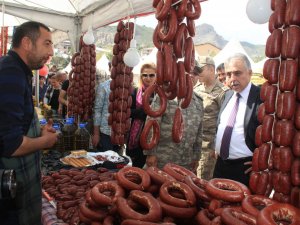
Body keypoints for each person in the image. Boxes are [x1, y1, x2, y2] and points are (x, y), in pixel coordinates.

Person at [0, 21, 58, 225]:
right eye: (47, 43)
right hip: (11, 199)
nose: (51, 51)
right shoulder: (10, 74)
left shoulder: (16, 70)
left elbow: (10, 124)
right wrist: (45, 142)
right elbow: (11, 144)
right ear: (26, 42)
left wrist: (39, 131)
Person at [213, 53, 262, 186]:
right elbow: (221, 125)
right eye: (228, 74)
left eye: (237, 73)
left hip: (244, 169)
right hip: (220, 165)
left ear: (250, 73)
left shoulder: (261, 97)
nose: (232, 78)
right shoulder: (227, 95)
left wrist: (262, 161)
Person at [144, 75, 204, 172]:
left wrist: (197, 156)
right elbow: (152, 124)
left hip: (186, 161)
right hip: (163, 158)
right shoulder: (165, 95)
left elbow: (199, 132)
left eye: (196, 73)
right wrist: (151, 153)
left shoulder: (199, 101)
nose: (191, 76)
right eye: (188, 73)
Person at [193, 56, 227, 180]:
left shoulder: (223, 92)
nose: (197, 73)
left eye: (200, 70)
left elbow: (224, 122)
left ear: (211, 69)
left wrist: (217, 147)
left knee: (203, 182)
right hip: (194, 145)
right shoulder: (196, 88)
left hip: (209, 148)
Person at [126, 63, 157, 168]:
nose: (148, 78)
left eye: (151, 75)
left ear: (156, 76)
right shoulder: (135, 91)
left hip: (154, 137)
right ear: (141, 76)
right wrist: (145, 112)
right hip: (136, 138)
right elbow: (128, 111)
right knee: (137, 168)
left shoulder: (159, 94)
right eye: (145, 75)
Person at [92, 75, 120, 152]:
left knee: (117, 160)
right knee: (106, 161)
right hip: (105, 132)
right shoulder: (103, 87)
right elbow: (97, 110)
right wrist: (96, 134)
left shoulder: (126, 88)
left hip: (119, 133)